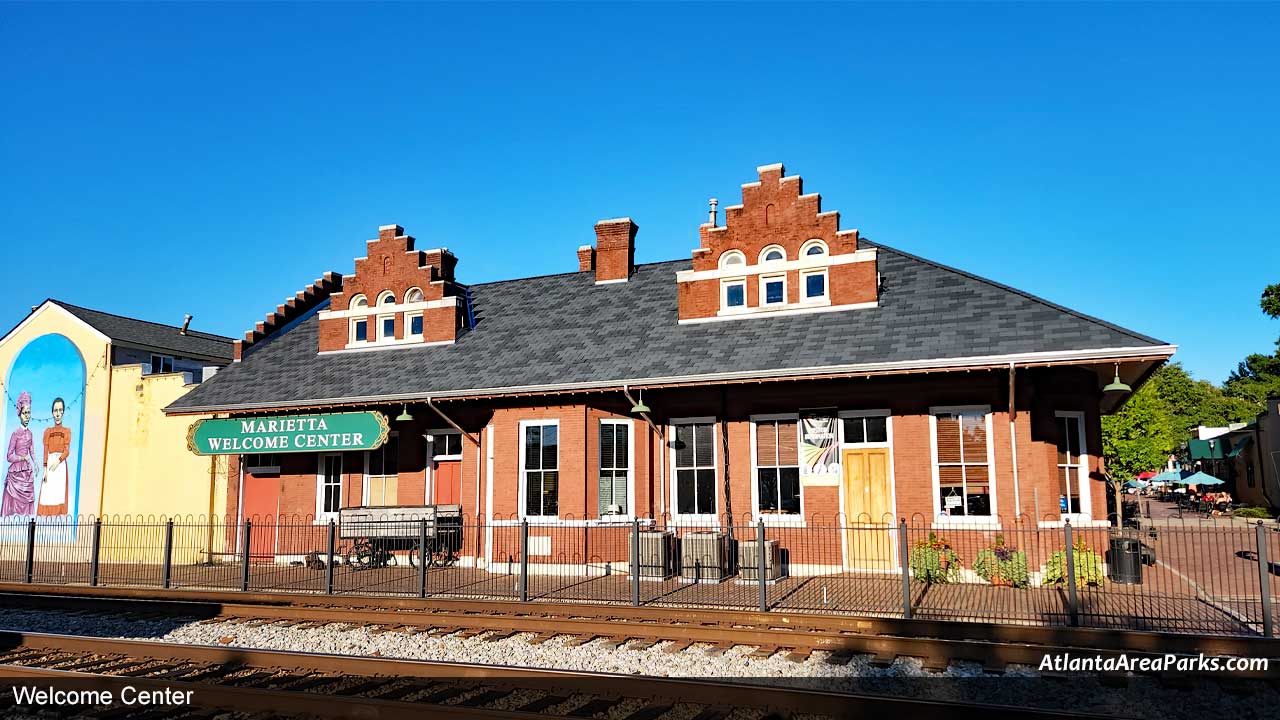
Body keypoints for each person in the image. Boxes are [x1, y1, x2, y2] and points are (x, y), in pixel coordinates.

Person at [2, 391, 38, 517]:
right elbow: (9, 456)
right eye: (24, 413)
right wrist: (22, 457)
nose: (27, 416)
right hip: (16, 473)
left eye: (28, 413)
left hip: (27, 472)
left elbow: (32, 451)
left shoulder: (30, 434)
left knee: (28, 503)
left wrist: (36, 464)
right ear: (19, 414)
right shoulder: (15, 434)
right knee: (13, 504)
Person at [38, 397, 71, 516]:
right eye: (55, 410)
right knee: (47, 494)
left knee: (59, 493)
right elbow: (45, 450)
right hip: (50, 464)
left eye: (60, 410)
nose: (58, 413)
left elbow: (67, 451)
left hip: (60, 465)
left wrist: (58, 461)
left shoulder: (66, 431)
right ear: (52, 412)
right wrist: (45, 470)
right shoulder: (48, 431)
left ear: (63, 412)